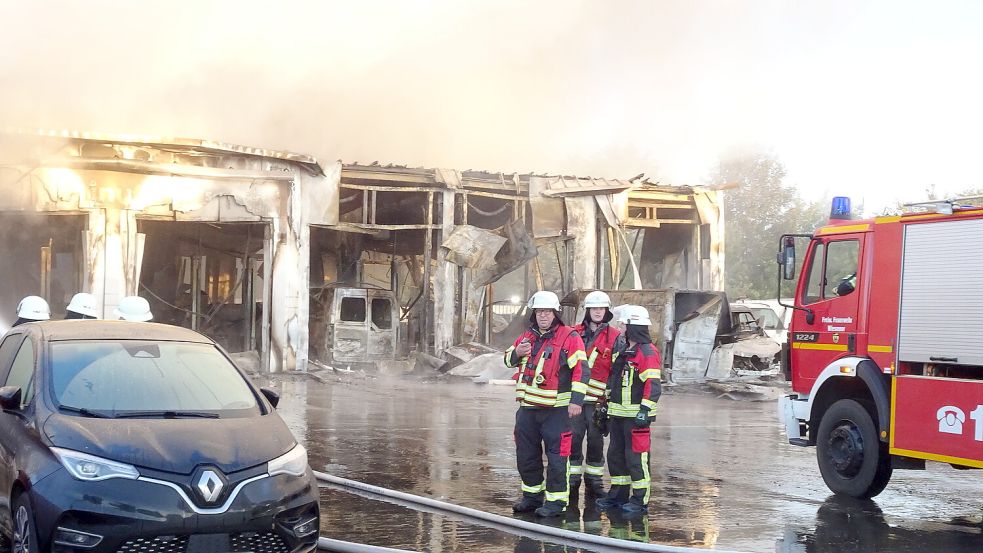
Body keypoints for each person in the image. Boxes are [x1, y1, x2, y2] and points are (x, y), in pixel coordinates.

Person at [504, 290, 591, 518]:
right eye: (539, 311)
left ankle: (556, 502)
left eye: (547, 312)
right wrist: (516, 353)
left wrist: (576, 401)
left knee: (556, 458)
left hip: (556, 412)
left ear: (555, 313)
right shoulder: (527, 337)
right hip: (527, 410)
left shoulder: (569, 337)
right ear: (534, 314)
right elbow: (506, 360)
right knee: (526, 456)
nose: (543, 316)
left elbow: (581, 371)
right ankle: (531, 497)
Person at [596, 305, 662, 516]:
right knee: (616, 457)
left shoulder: (647, 352)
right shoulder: (624, 351)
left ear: (632, 326)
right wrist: (605, 406)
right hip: (618, 416)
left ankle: (640, 499)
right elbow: (613, 381)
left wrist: (645, 410)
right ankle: (618, 495)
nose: (620, 328)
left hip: (635, 418)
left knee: (636, 460)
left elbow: (653, 385)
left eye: (623, 324)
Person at [569, 290, 621, 501]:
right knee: (572, 439)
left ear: (606, 310)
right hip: (575, 400)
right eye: (594, 308)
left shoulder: (615, 336)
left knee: (596, 442)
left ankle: (594, 482)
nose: (598, 312)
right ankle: (572, 481)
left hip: (598, 401)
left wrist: (610, 398)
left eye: (601, 308)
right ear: (587, 311)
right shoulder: (573, 333)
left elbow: (617, 369)